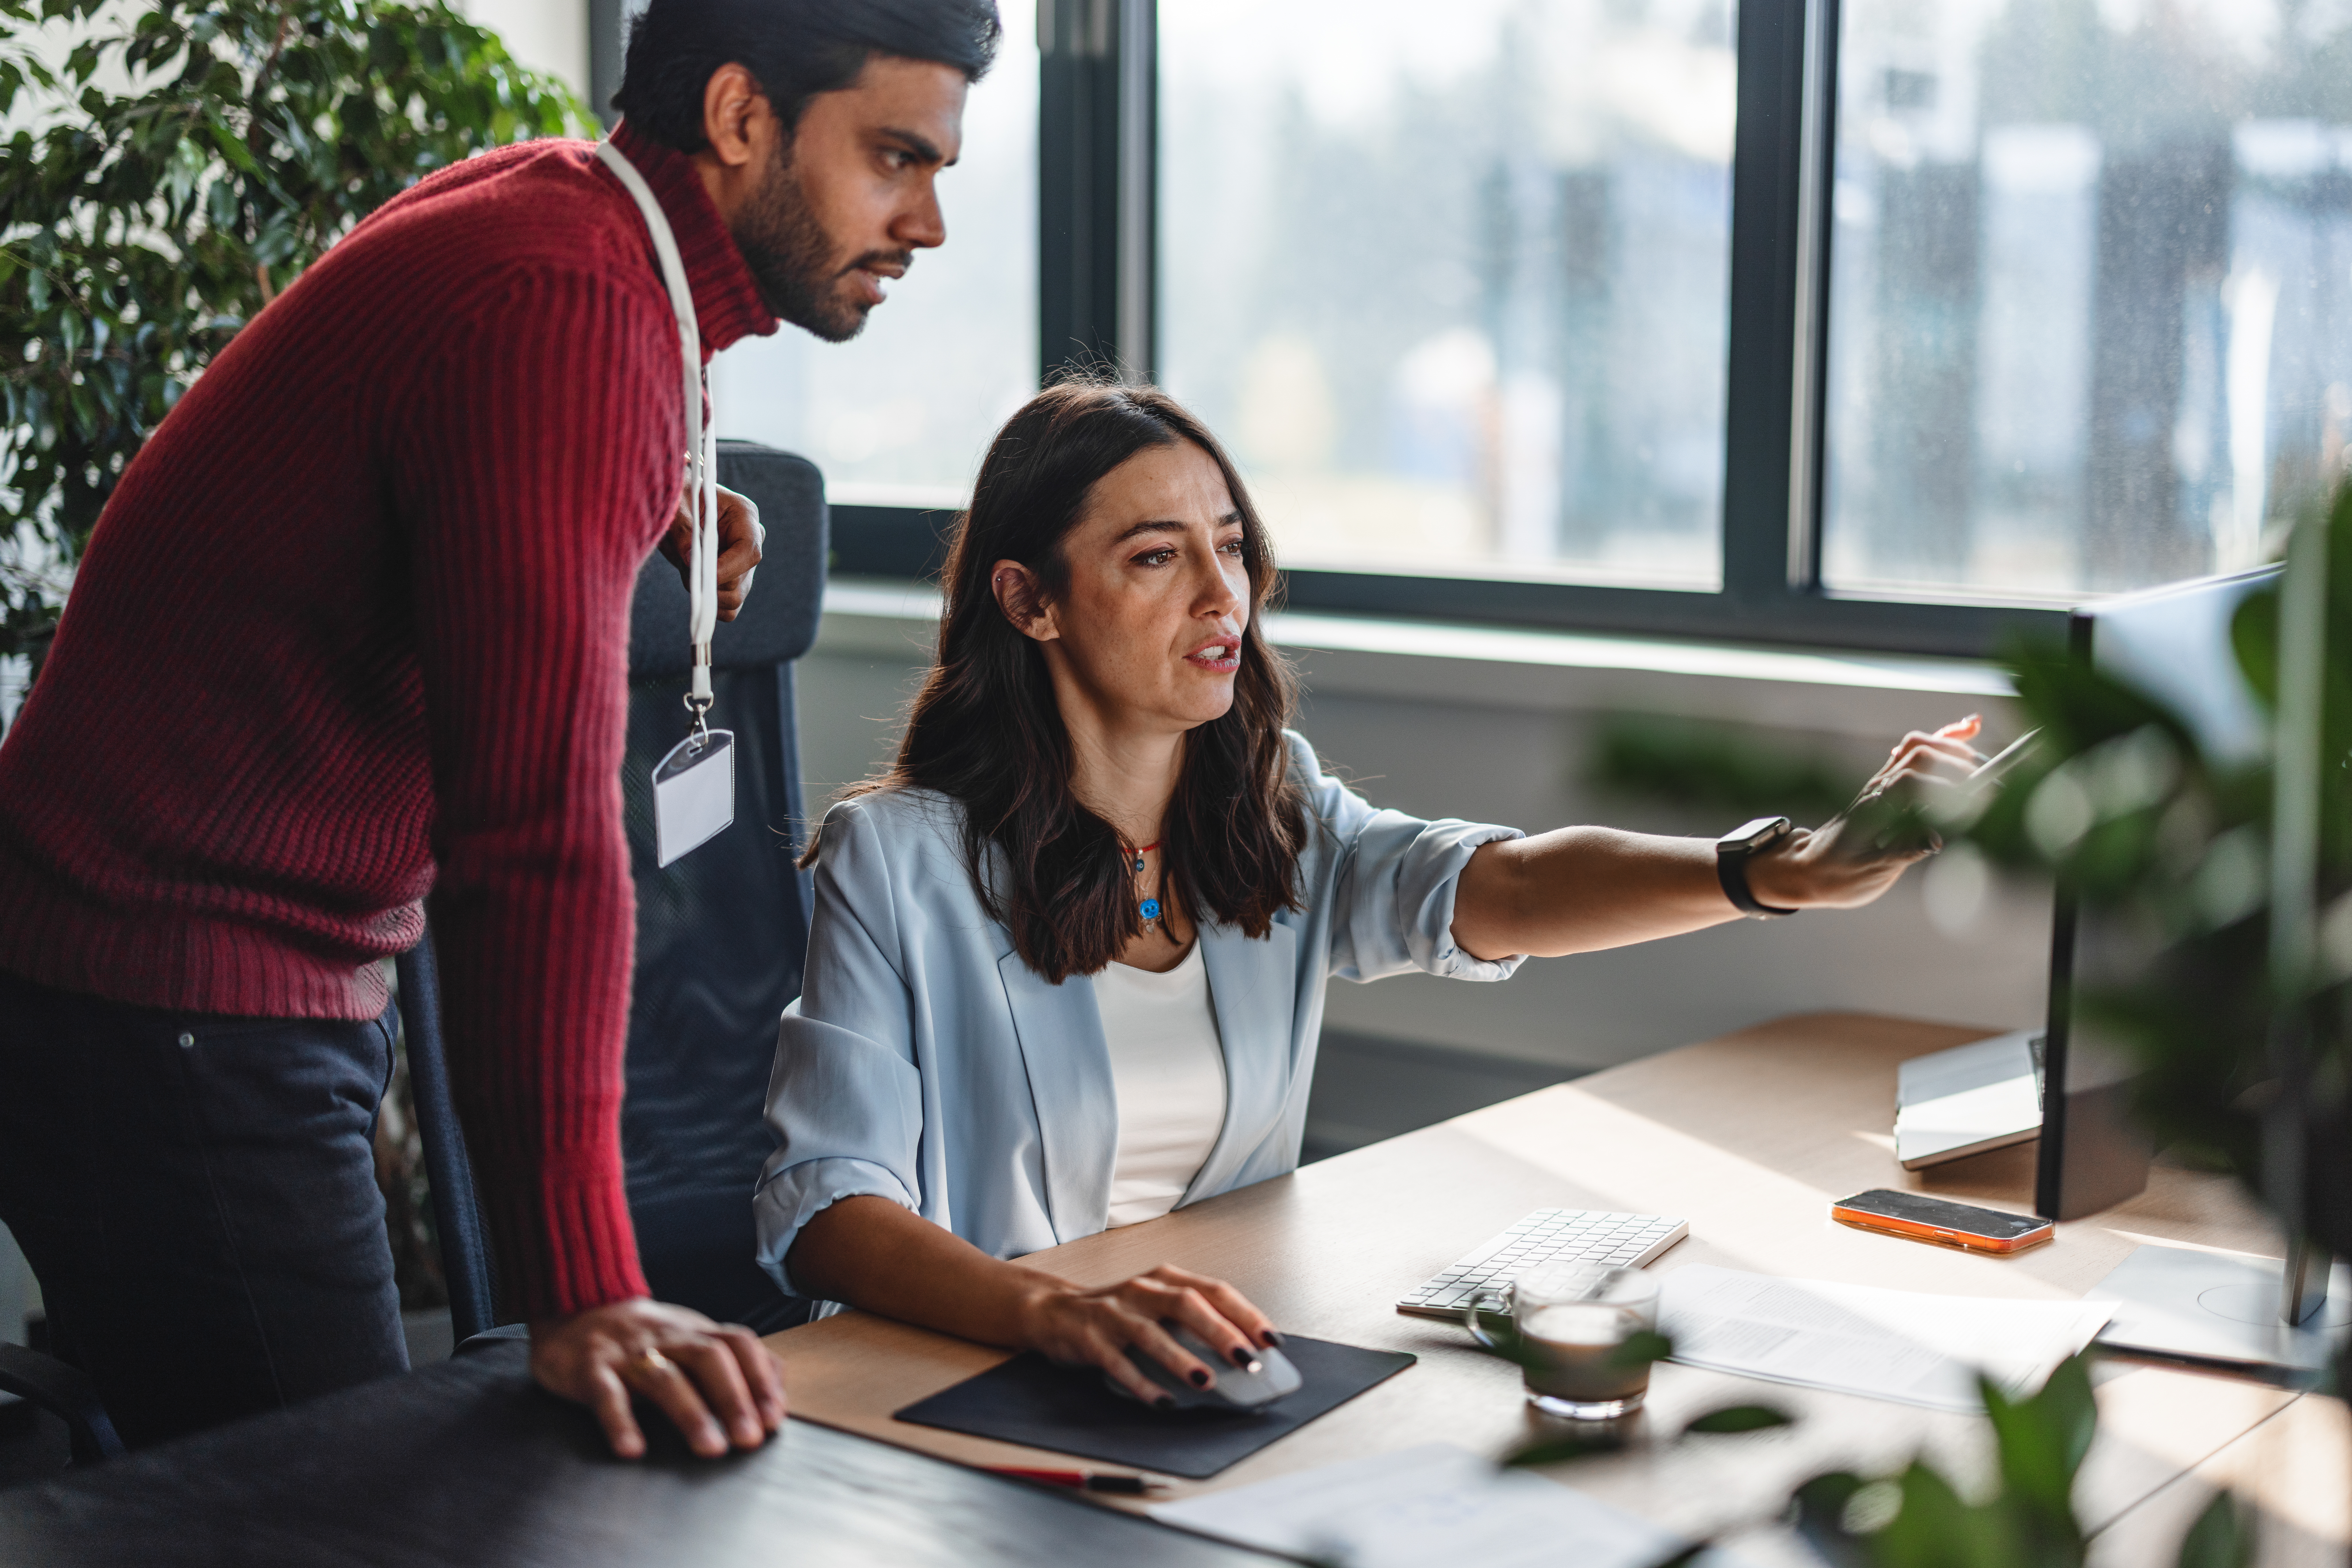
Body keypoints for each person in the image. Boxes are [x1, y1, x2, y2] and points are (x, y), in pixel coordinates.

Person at [0, 0, 1000, 1458]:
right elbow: (534, 840)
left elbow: (408, 441)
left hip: (168, 965)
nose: (928, 224)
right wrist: (581, 1291)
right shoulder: (567, 299)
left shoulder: (576, 217)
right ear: (741, 118)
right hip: (165, 991)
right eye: (896, 158)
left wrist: (636, 488)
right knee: (339, 1523)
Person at [752, 381, 1983, 1400]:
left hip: (1206, 1374)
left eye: (1231, 546)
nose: (1221, 596)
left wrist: (1779, 872)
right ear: (1031, 601)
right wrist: (1055, 1313)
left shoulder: (1270, 804)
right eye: (1156, 557)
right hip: (969, 1383)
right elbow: (824, 1212)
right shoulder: (895, 860)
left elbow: (1498, 886)